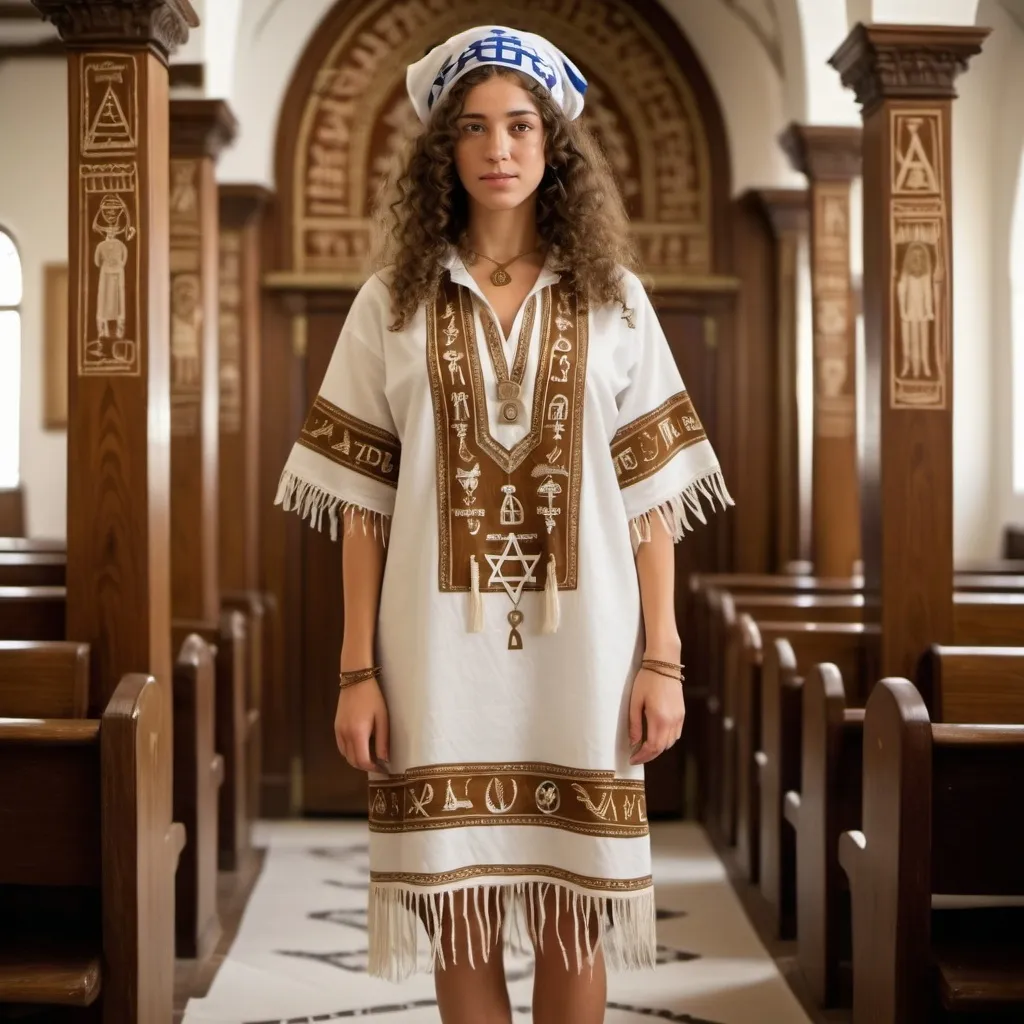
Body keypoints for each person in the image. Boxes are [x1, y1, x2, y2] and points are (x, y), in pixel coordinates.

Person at [275, 25, 731, 1024]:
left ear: (552, 142)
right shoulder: (388, 305)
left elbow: (652, 493)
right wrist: (358, 670)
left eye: (520, 125)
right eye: (473, 127)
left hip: (589, 649)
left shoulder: (616, 301)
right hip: (436, 654)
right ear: (443, 150)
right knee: (463, 911)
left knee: (573, 911)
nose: (498, 147)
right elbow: (362, 501)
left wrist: (663, 656)